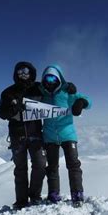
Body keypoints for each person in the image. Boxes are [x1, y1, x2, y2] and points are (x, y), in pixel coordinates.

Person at [39, 65, 92, 207]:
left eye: (53, 78)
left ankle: (77, 193)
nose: (50, 81)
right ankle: (53, 194)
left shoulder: (67, 92)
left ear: (59, 78)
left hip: (68, 134)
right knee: (52, 167)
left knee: (73, 164)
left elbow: (88, 101)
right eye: (47, 78)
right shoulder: (42, 95)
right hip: (49, 136)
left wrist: (81, 102)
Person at [0, 61, 46, 209]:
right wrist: (14, 109)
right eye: (20, 72)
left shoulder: (39, 88)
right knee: (20, 169)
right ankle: (22, 200)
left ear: (32, 72)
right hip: (17, 136)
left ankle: (35, 196)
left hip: (36, 134)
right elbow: (1, 113)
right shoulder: (8, 93)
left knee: (40, 165)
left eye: (26, 71)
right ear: (15, 74)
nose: (23, 74)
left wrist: (68, 87)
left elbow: (54, 90)